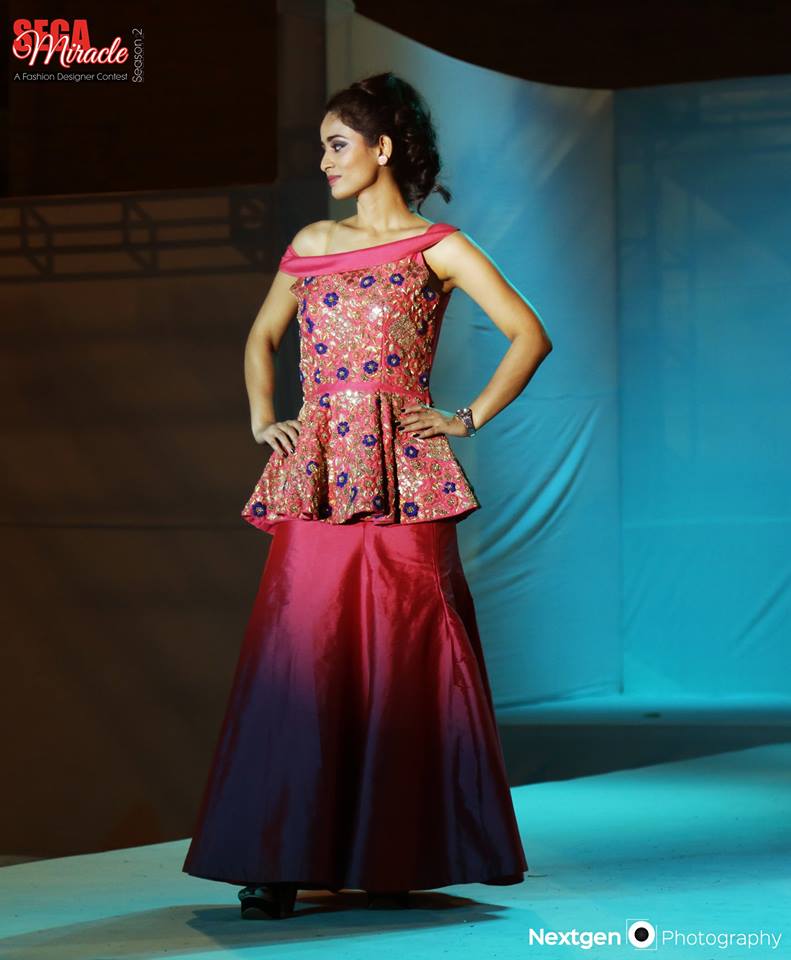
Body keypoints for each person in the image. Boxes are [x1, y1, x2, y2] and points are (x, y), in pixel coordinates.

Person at [182, 71, 553, 920]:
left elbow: (528, 334)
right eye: (322, 147)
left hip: (405, 477)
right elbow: (261, 337)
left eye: (336, 145)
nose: (323, 162)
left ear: (381, 148)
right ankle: (276, 856)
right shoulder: (312, 242)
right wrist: (263, 419)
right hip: (316, 474)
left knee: (408, 661)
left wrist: (465, 418)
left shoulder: (438, 247)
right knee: (297, 659)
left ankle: (394, 853)